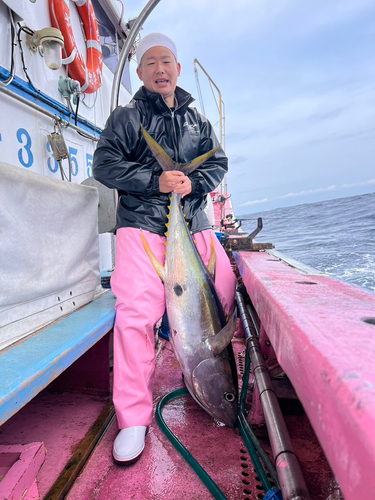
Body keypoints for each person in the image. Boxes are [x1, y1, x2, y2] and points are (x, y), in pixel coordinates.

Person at [93, 33, 237, 464]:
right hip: (141, 227)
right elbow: (103, 164)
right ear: (139, 72)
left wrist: (194, 183)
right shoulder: (126, 116)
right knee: (136, 316)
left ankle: (203, 383)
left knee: (224, 294)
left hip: (193, 225)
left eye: (167, 61)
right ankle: (133, 417)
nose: (160, 69)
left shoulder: (197, 121)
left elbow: (218, 162)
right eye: (151, 62)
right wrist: (154, 181)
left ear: (177, 69)